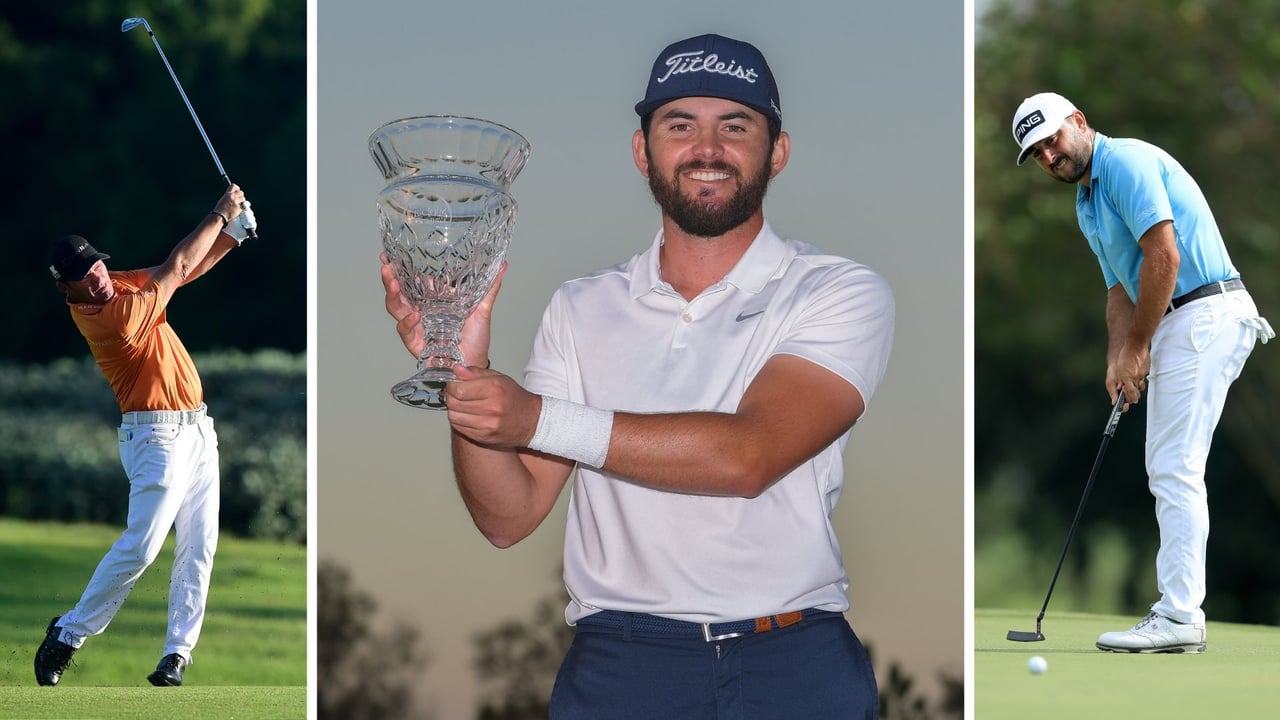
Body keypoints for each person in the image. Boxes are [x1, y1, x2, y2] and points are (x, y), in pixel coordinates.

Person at [383, 34, 894, 717]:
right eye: (679, 125)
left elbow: (750, 456)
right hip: (621, 666)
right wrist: (462, 372)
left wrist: (536, 420)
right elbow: (509, 514)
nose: (706, 149)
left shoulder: (837, 290)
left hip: (794, 664)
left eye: (734, 126)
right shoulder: (580, 306)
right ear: (641, 150)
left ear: (777, 152)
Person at [1011, 92, 1273, 653]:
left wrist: (1138, 348)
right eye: (1037, 153)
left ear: (1079, 122)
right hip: (1180, 317)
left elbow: (1165, 257)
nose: (1049, 155)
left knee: (1174, 467)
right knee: (1168, 466)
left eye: (1053, 139)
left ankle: (1180, 618)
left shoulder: (1124, 163)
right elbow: (1119, 288)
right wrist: (1119, 358)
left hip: (1203, 311)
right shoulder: (1087, 201)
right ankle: (1179, 615)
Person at [34, 185, 257, 687]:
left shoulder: (114, 285)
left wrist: (231, 238)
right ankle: (68, 634)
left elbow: (183, 271)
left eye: (95, 265)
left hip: (199, 430)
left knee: (199, 546)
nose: (96, 277)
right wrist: (221, 213)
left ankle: (177, 654)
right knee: (143, 546)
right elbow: (175, 270)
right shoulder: (105, 317)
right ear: (65, 290)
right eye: (83, 276)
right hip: (155, 438)